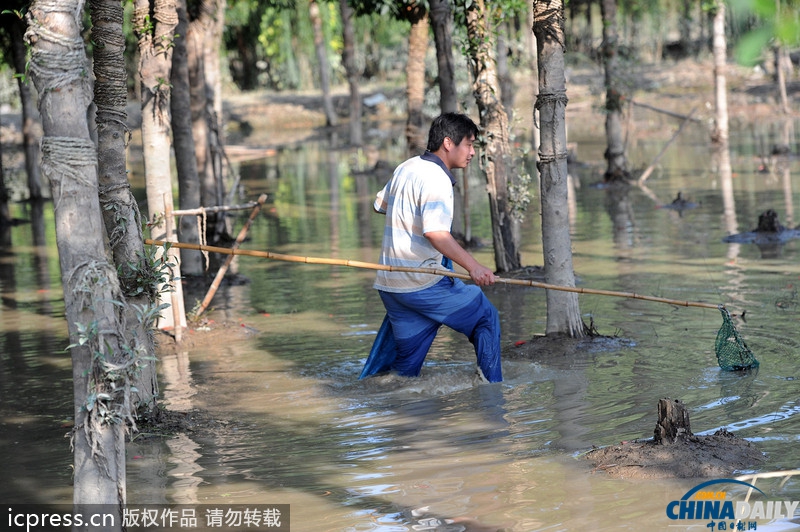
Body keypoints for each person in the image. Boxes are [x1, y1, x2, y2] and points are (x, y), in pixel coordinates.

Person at [360, 112, 503, 382]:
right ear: (449, 143)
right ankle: (493, 391)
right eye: (469, 144)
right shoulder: (437, 178)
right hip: (422, 284)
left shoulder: (407, 167)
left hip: (391, 285)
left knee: (407, 372)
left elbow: (380, 205)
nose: (472, 152)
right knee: (486, 317)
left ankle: (400, 408)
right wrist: (475, 267)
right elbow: (436, 233)